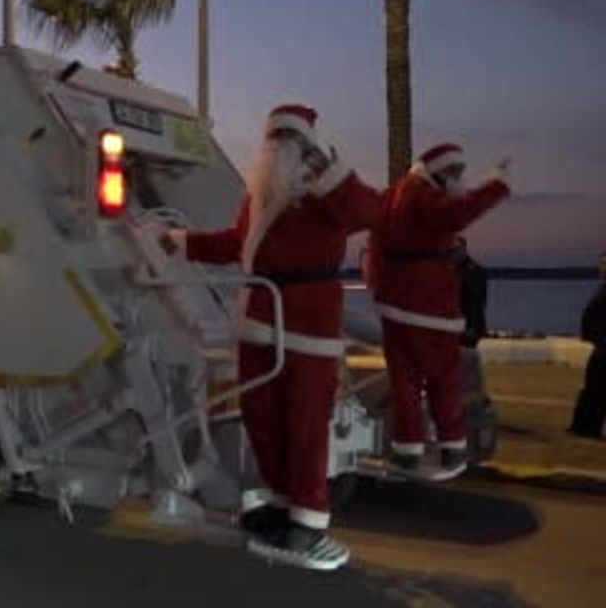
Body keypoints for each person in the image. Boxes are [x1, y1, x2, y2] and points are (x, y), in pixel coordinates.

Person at [160, 103, 381, 571]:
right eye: (274, 137)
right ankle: (282, 505)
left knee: (306, 426)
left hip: (308, 326)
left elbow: (368, 212)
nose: (280, 146)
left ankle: (308, 521)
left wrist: (329, 169)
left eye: (291, 138)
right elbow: (235, 245)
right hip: (258, 320)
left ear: (308, 145)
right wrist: (179, 242)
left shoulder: (327, 194)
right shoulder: (259, 196)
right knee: (263, 420)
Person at [369, 144, 511, 480]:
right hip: (430, 307)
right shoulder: (423, 194)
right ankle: (452, 447)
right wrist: (496, 185)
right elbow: (458, 213)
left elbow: (373, 246)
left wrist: (381, 287)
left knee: (404, 383)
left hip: (394, 305)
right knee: (443, 380)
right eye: (456, 172)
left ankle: (407, 452)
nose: (460, 179)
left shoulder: (391, 197)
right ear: (439, 172)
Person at [570, 252, 606, 438]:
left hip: (604, 345)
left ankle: (588, 427)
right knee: (593, 386)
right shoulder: (602, 288)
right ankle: (583, 426)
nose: (603, 268)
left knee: (598, 387)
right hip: (600, 345)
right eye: (602, 264)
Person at [452, 237, 488, 349]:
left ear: (464, 249)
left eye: (455, 249)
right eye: (450, 250)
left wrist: (470, 327)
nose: (452, 253)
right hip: (455, 325)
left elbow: (476, 301)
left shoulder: (473, 271)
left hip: (467, 328)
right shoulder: (453, 269)